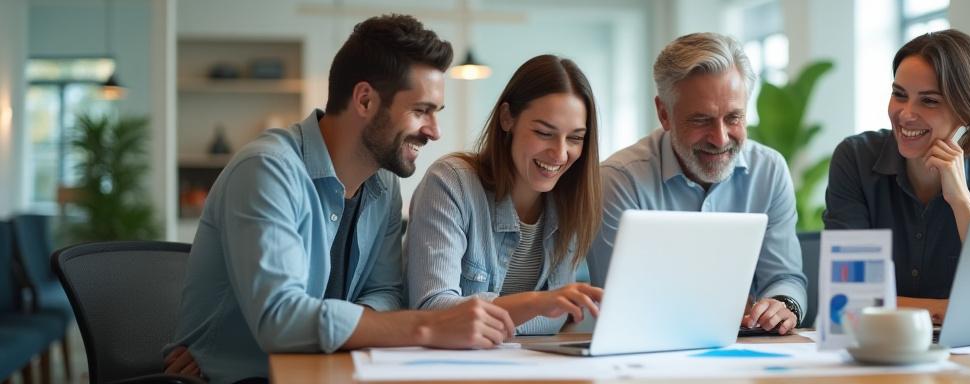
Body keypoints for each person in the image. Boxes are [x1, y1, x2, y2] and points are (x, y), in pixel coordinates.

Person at [164, 15, 516, 383]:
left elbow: (385, 292)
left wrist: (345, 328)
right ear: (364, 100)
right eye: (420, 110)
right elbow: (281, 320)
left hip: (328, 371)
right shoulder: (267, 170)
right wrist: (426, 327)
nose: (435, 131)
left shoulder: (383, 184)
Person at [588, 32, 807, 335]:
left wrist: (782, 305)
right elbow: (620, 305)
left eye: (733, 118)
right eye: (701, 120)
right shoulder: (618, 180)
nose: (720, 138)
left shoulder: (769, 171)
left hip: (750, 353)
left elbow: (785, 278)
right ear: (664, 113)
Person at [823, 29, 970, 324]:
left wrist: (961, 200)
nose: (905, 114)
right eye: (899, 95)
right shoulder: (856, 159)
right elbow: (851, 298)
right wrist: (950, 310)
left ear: (967, 112)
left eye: (929, 101)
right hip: (878, 348)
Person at [405, 55, 604, 335]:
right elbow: (433, 307)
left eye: (575, 138)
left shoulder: (570, 203)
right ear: (507, 118)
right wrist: (537, 303)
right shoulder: (451, 182)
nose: (560, 154)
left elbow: (558, 315)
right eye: (544, 133)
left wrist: (543, 309)